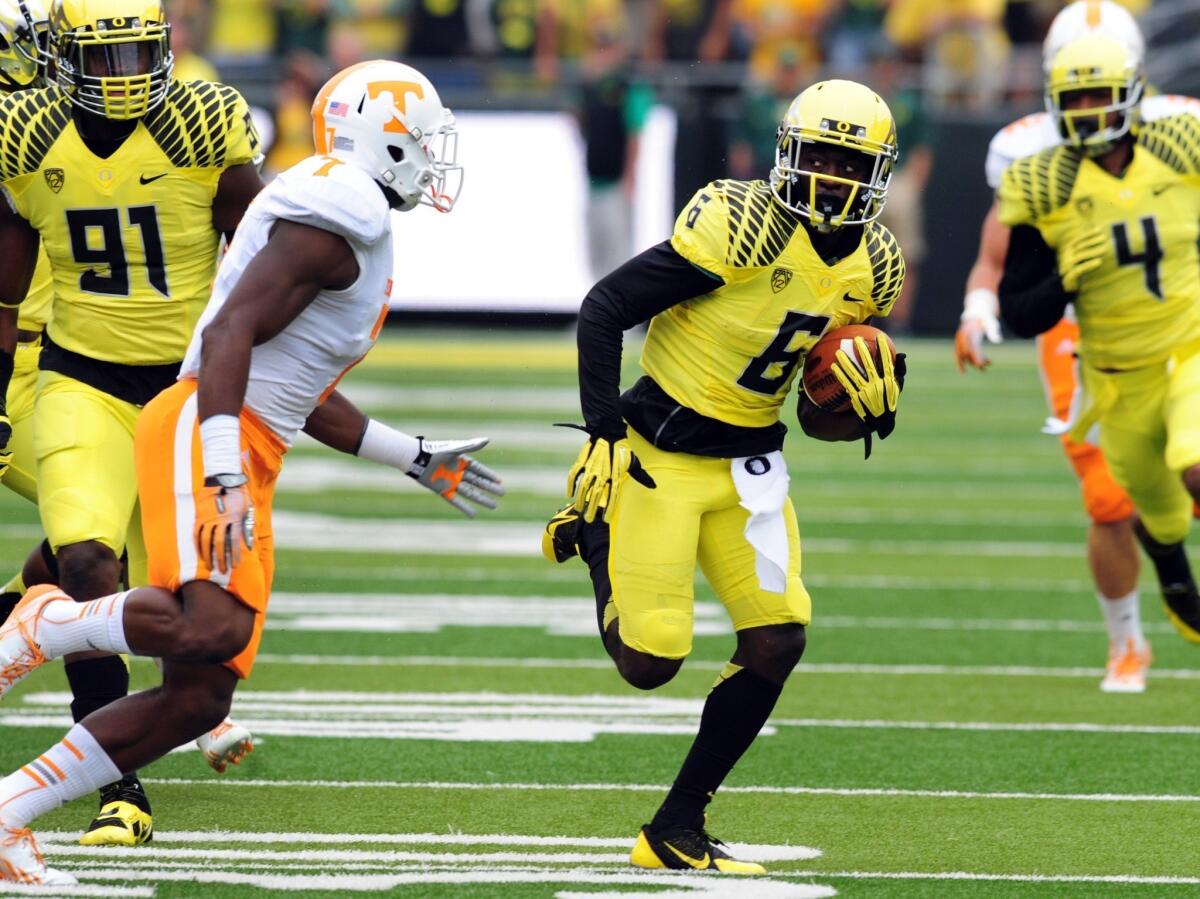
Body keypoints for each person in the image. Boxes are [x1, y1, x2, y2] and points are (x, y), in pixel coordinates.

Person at [0, 58, 504, 886]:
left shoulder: (351, 215)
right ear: (380, 139)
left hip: (241, 432)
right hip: (209, 426)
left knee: (201, 696)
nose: (431, 154)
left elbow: (298, 386)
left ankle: (10, 812)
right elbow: (230, 332)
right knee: (211, 626)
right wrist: (226, 468)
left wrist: (412, 456)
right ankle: (50, 623)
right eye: (418, 137)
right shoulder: (338, 211)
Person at [543, 79, 905, 873]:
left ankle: (675, 825)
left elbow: (814, 410)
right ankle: (597, 536)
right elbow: (604, 306)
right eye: (821, 158)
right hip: (659, 453)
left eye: (851, 165)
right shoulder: (741, 226)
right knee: (651, 661)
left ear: (877, 174)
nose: (835, 180)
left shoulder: (874, 265)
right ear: (788, 154)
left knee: (779, 636)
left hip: (751, 465)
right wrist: (604, 429)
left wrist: (860, 406)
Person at [0, 0, 263, 845]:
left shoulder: (201, 123)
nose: (123, 78)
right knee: (86, 561)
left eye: (137, 55)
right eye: (104, 60)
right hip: (78, 377)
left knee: (183, 602)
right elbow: (6, 299)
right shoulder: (28, 135)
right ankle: (123, 784)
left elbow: (263, 258)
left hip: (184, 391)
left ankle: (25, 624)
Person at [955, 0, 1200, 693]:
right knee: (1108, 500)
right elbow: (996, 256)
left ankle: (1173, 572)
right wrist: (978, 309)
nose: (1090, 106)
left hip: (1178, 327)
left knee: (1191, 461)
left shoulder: (1178, 135)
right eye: (1076, 91)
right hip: (1084, 336)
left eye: (1103, 90)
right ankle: (1127, 639)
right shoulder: (1032, 156)